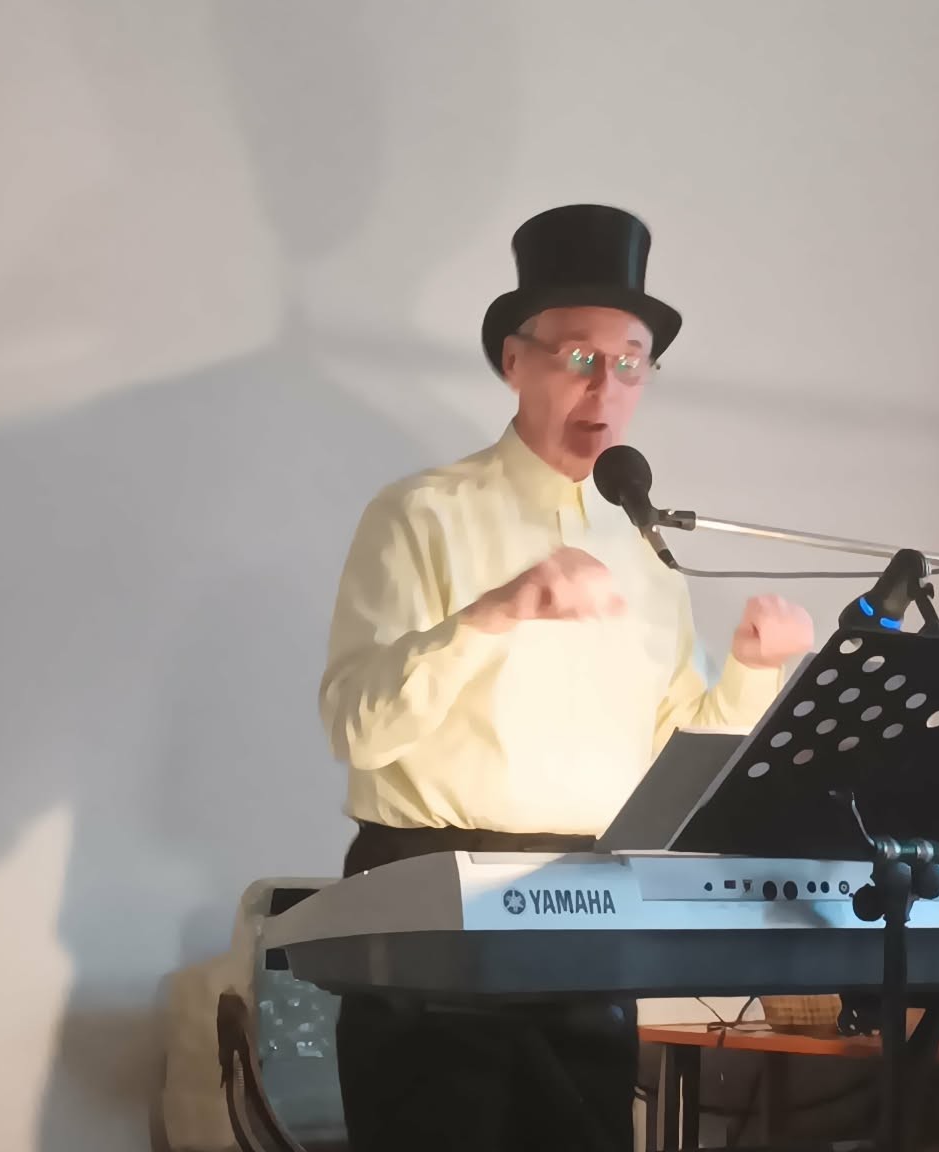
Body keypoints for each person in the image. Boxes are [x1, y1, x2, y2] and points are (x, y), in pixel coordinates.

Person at [318, 203, 815, 1152]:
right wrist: (491, 614)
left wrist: (752, 673)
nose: (605, 387)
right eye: (580, 356)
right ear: (515, 361)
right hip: (432, 893)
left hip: (589, 898)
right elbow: (357, 725)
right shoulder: (421, 514)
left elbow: (673, 756)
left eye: (630, 363)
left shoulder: (644, 548)